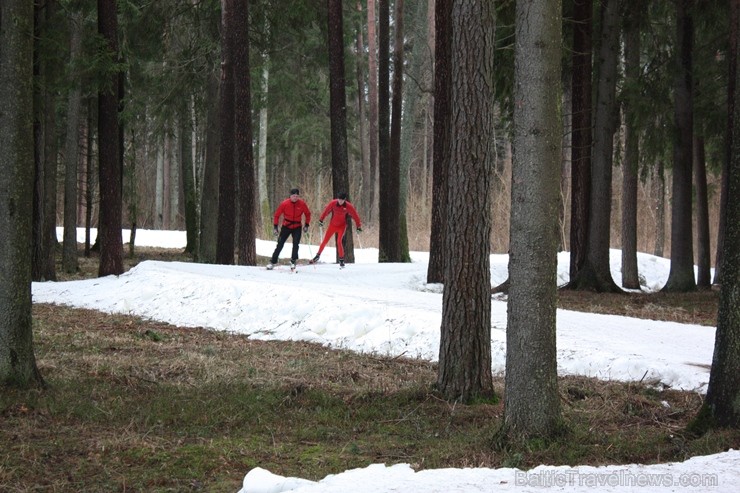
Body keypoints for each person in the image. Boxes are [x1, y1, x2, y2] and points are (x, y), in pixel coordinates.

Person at [310, 192, 362, 267]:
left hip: (342, 226)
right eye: (339, 200)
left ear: (345, 200)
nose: (340, 202)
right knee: (325, 241)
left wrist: (358, 226)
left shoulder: (348, 206)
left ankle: (341, 260)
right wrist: (321, 220)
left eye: (342, 200)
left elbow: (355, 215)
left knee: (339, 242)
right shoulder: (333, 203)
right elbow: (326, 211)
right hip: (332, 225)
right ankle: (317, 256)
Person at [267, 188, 311, 270]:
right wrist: (275, 227)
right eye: (293, 196)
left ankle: (293, 261)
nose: (295, 197)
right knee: (280, 244)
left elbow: (308, 214)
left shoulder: (302, 204)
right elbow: (277, 215)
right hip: (286, 226)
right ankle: (273, 261)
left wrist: (306, 225)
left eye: (297, 196)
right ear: (290, 196)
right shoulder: (284, 203)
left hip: (297, 226)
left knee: (295, 244)